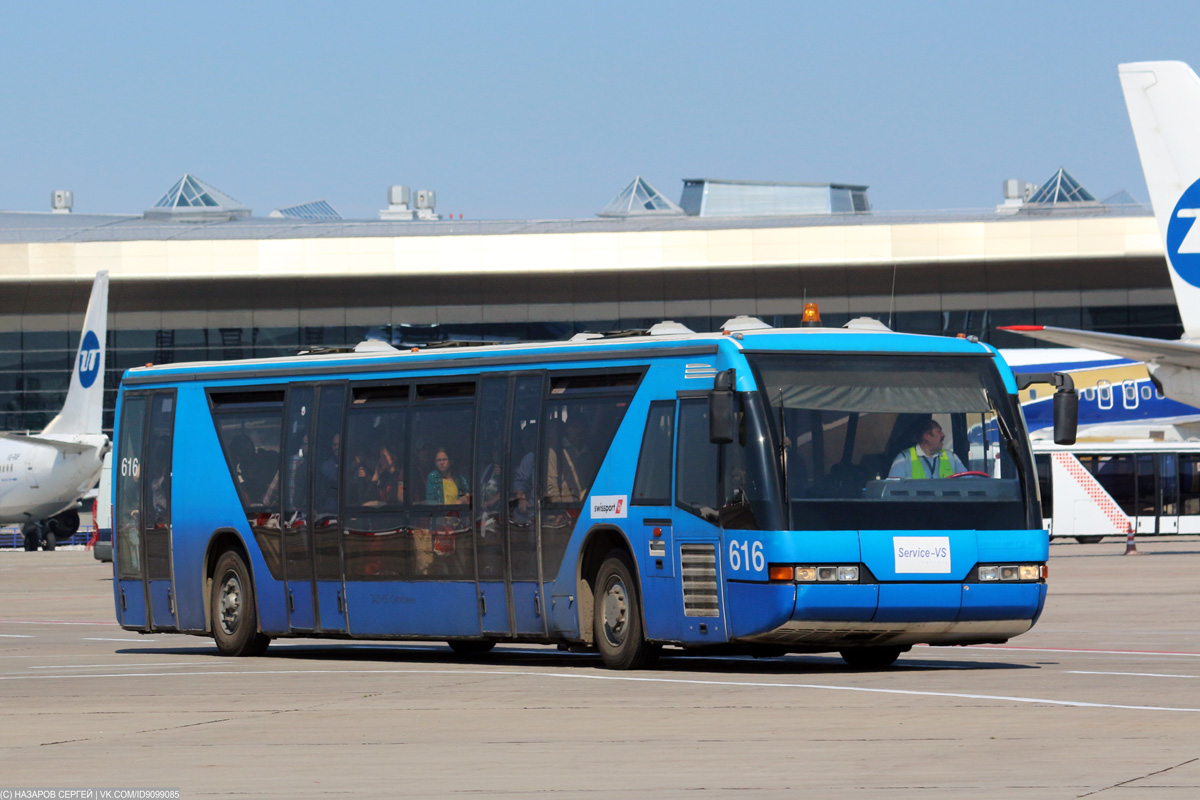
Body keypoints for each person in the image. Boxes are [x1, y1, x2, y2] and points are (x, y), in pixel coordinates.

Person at [888, 418, 966, 479]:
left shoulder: (952, 458)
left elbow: (968, 482)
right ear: (927, 436)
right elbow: (893, 491)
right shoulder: (903, 459)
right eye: (939, 431)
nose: (943, 435)